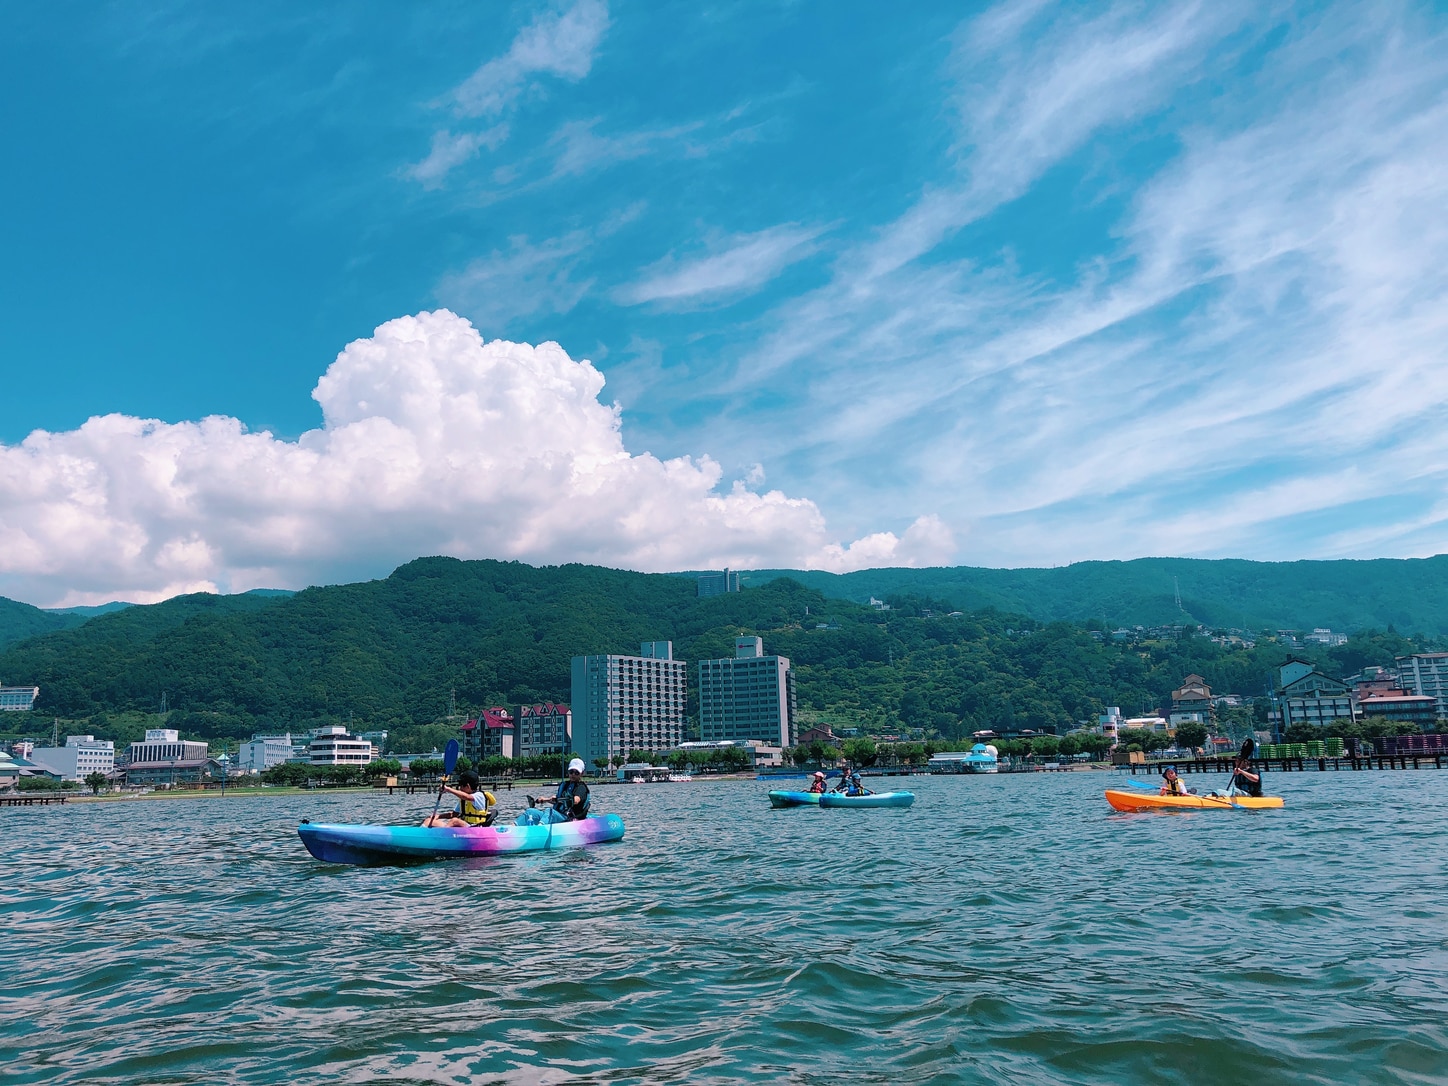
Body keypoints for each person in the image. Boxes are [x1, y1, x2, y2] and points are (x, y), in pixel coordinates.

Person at [517, 757, 592, 826]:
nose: (573, 774)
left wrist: (566, 800)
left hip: (569, 819)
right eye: (571, 772)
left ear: (582, 773)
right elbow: (558, 800)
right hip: (558, 816)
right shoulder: (565, 785)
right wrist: (545, 799)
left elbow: (576, 800)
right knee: (530, 811)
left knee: (549, 811)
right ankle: (512, 828)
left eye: (576, 773)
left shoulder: (581, 787)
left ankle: (540, 829)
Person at [422, 770, 496, 828]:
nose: (460, 789)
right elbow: (453, 814)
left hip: (476, 827)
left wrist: (448, 789)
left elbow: (467, 797)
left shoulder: (479, 796)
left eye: (461, 786)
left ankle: (443, 836)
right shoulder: (463, 799)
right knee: (429, 821)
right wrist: (438, 816)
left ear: (468, 786)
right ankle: (420, 833)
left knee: (455, 821)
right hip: (465, 827)